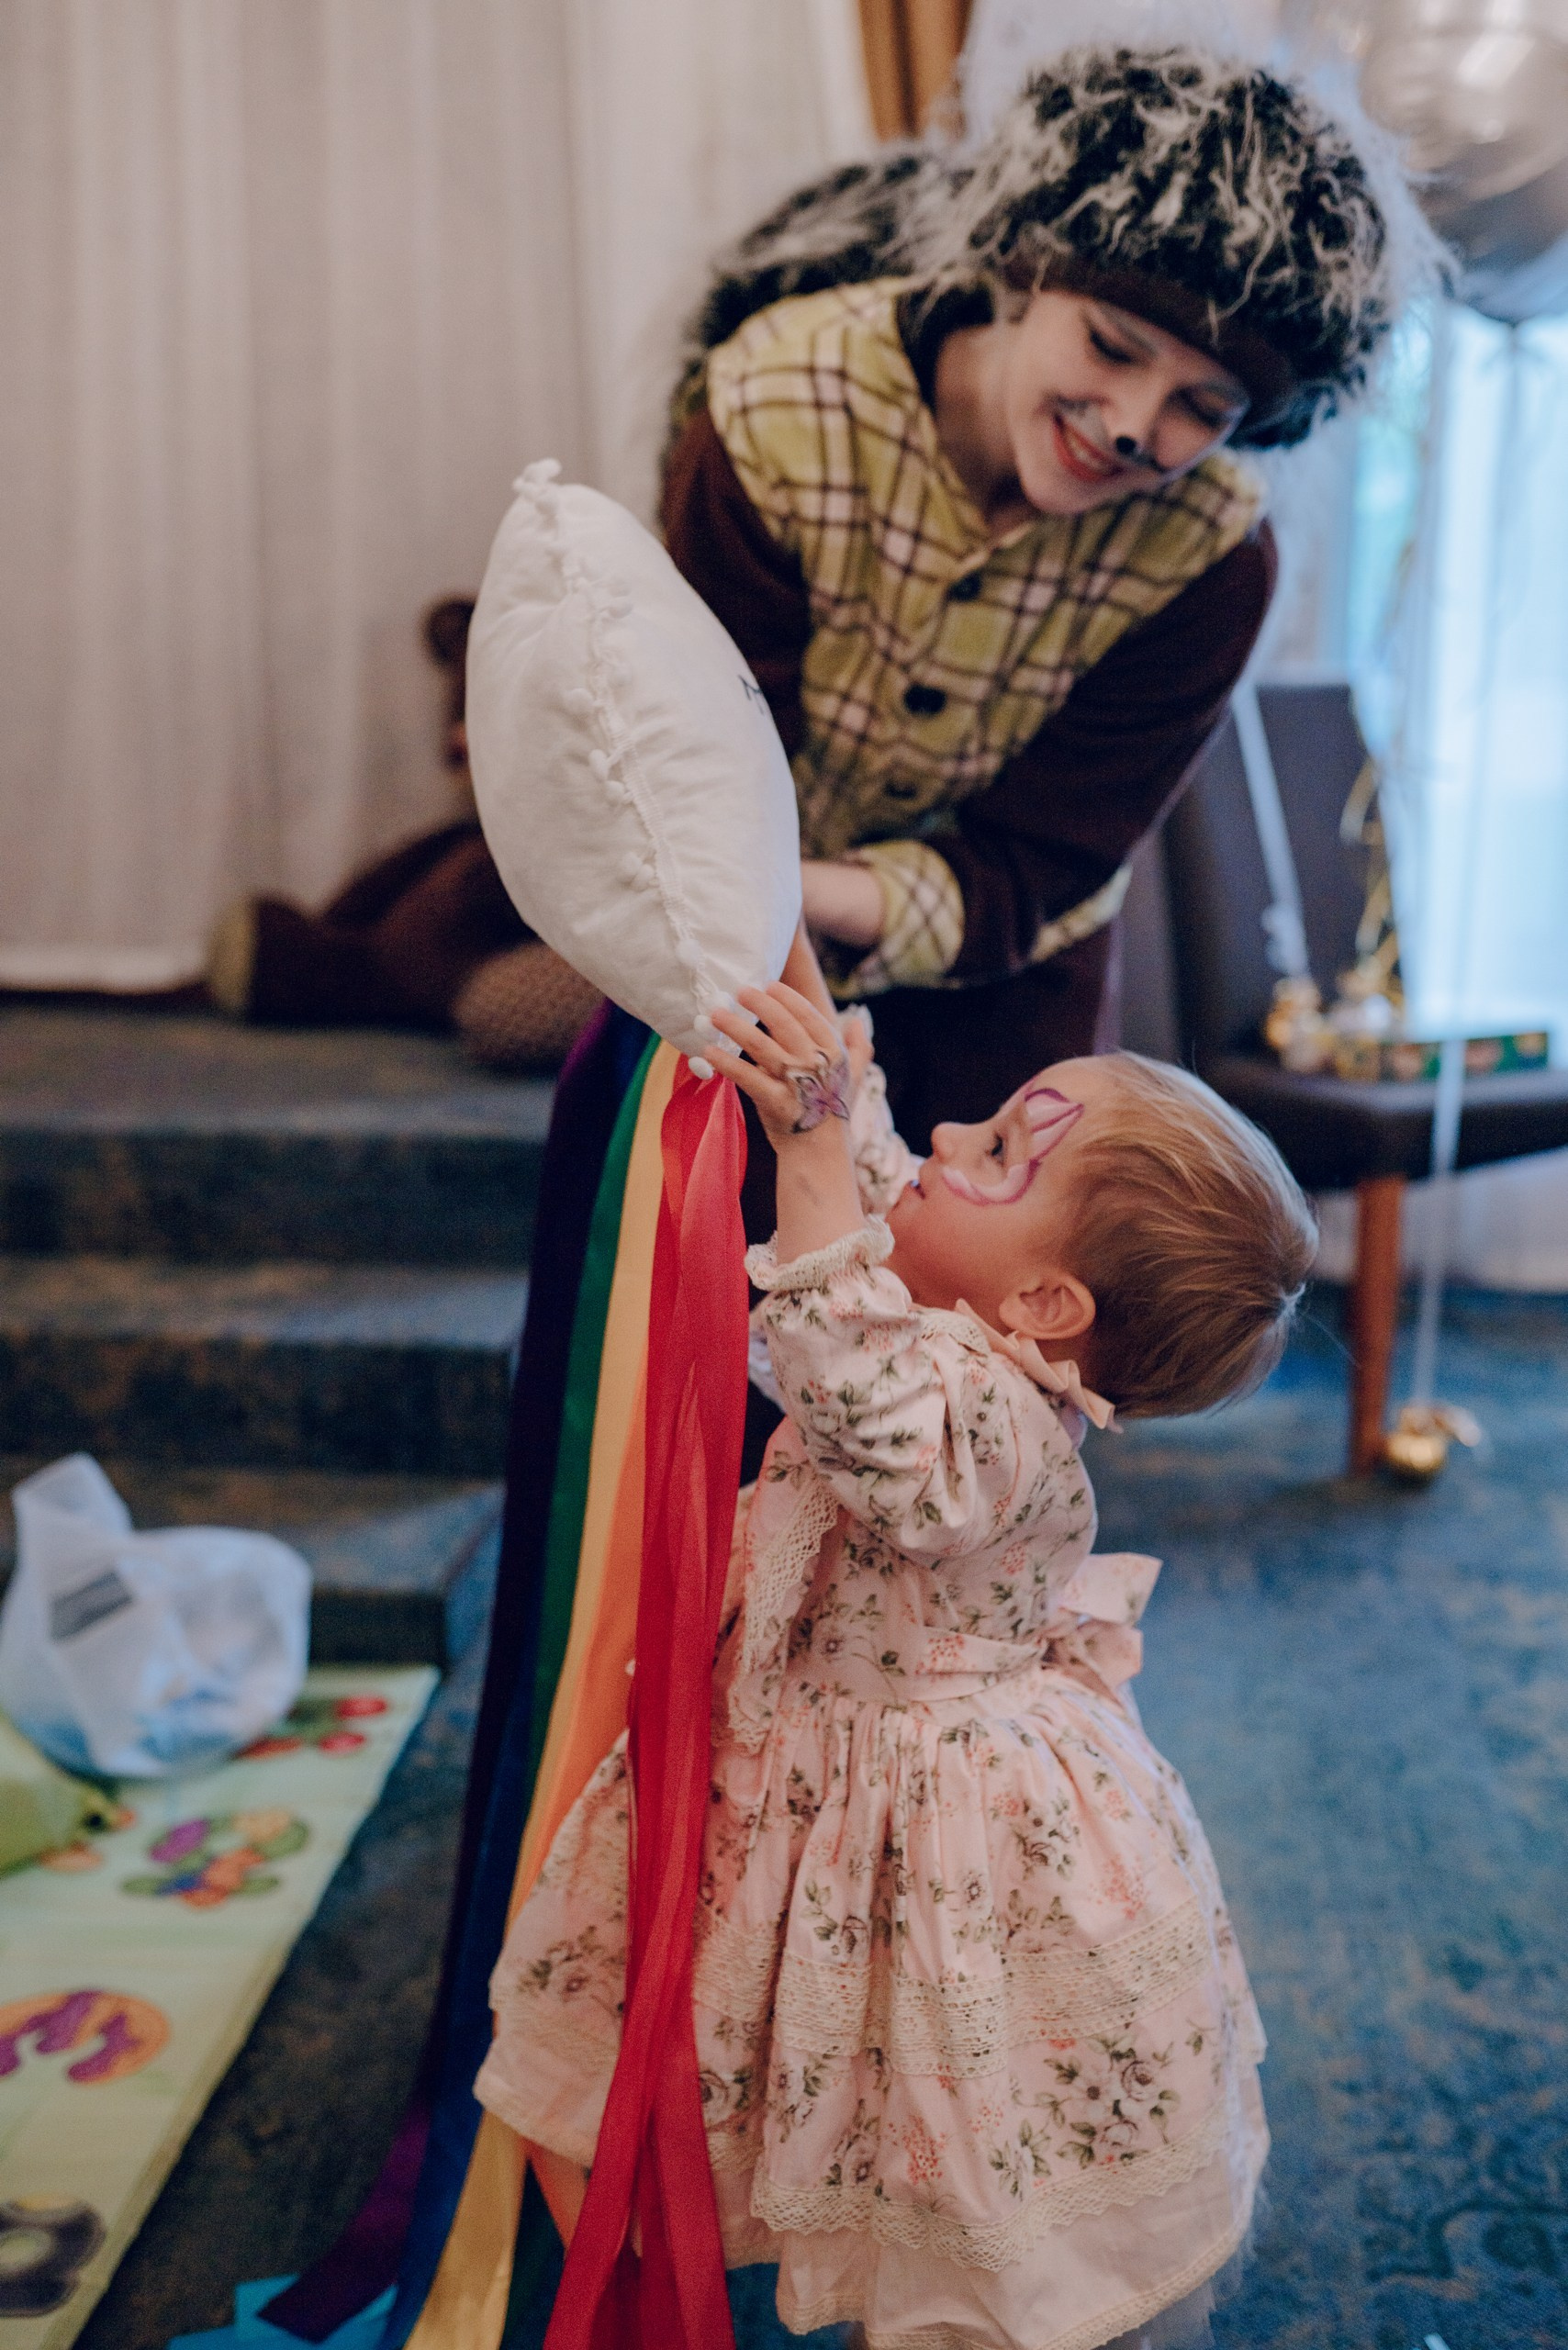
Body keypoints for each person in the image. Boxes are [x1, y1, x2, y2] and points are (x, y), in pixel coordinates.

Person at [474, 945, 1316, 2350]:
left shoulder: (987, 1420)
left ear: (1046, 1307)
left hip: (937, 1808)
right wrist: (825, 1059)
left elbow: (856, 1382)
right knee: (840, 2038)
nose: (944, 1136)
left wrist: (806, 1149)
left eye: (995, 1153)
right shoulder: (960, 1312)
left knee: (943, 2062)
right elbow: (877, 1215)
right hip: (834, 1750)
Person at [661, 43, 1423, 1143]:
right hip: (735, 926)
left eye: (1200, 409)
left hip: (1007, 976)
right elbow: (708, 752)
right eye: (1111, 346)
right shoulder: (774, 409)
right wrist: (768, 929)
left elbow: (1049, 853)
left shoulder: (1213, 559)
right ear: (1024, 271)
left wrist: (829, 895)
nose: (1131, 424)